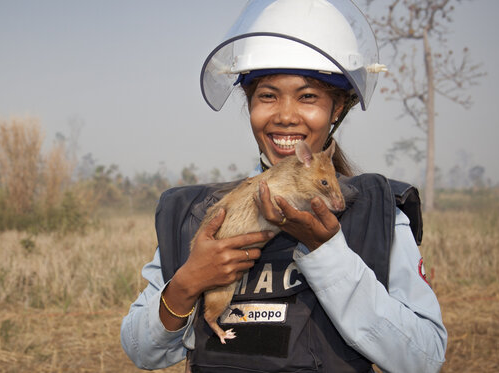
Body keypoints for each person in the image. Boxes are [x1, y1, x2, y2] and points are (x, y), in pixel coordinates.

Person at [120, 0, 447, 372]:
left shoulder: (376, 215)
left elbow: (424, 358)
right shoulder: (198, 213)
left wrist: (327, 254)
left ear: (336, 108)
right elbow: (140, 350)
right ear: (249, 103)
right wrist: (185, 285)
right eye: (267, 95)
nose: (285, 115)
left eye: (308, 96)